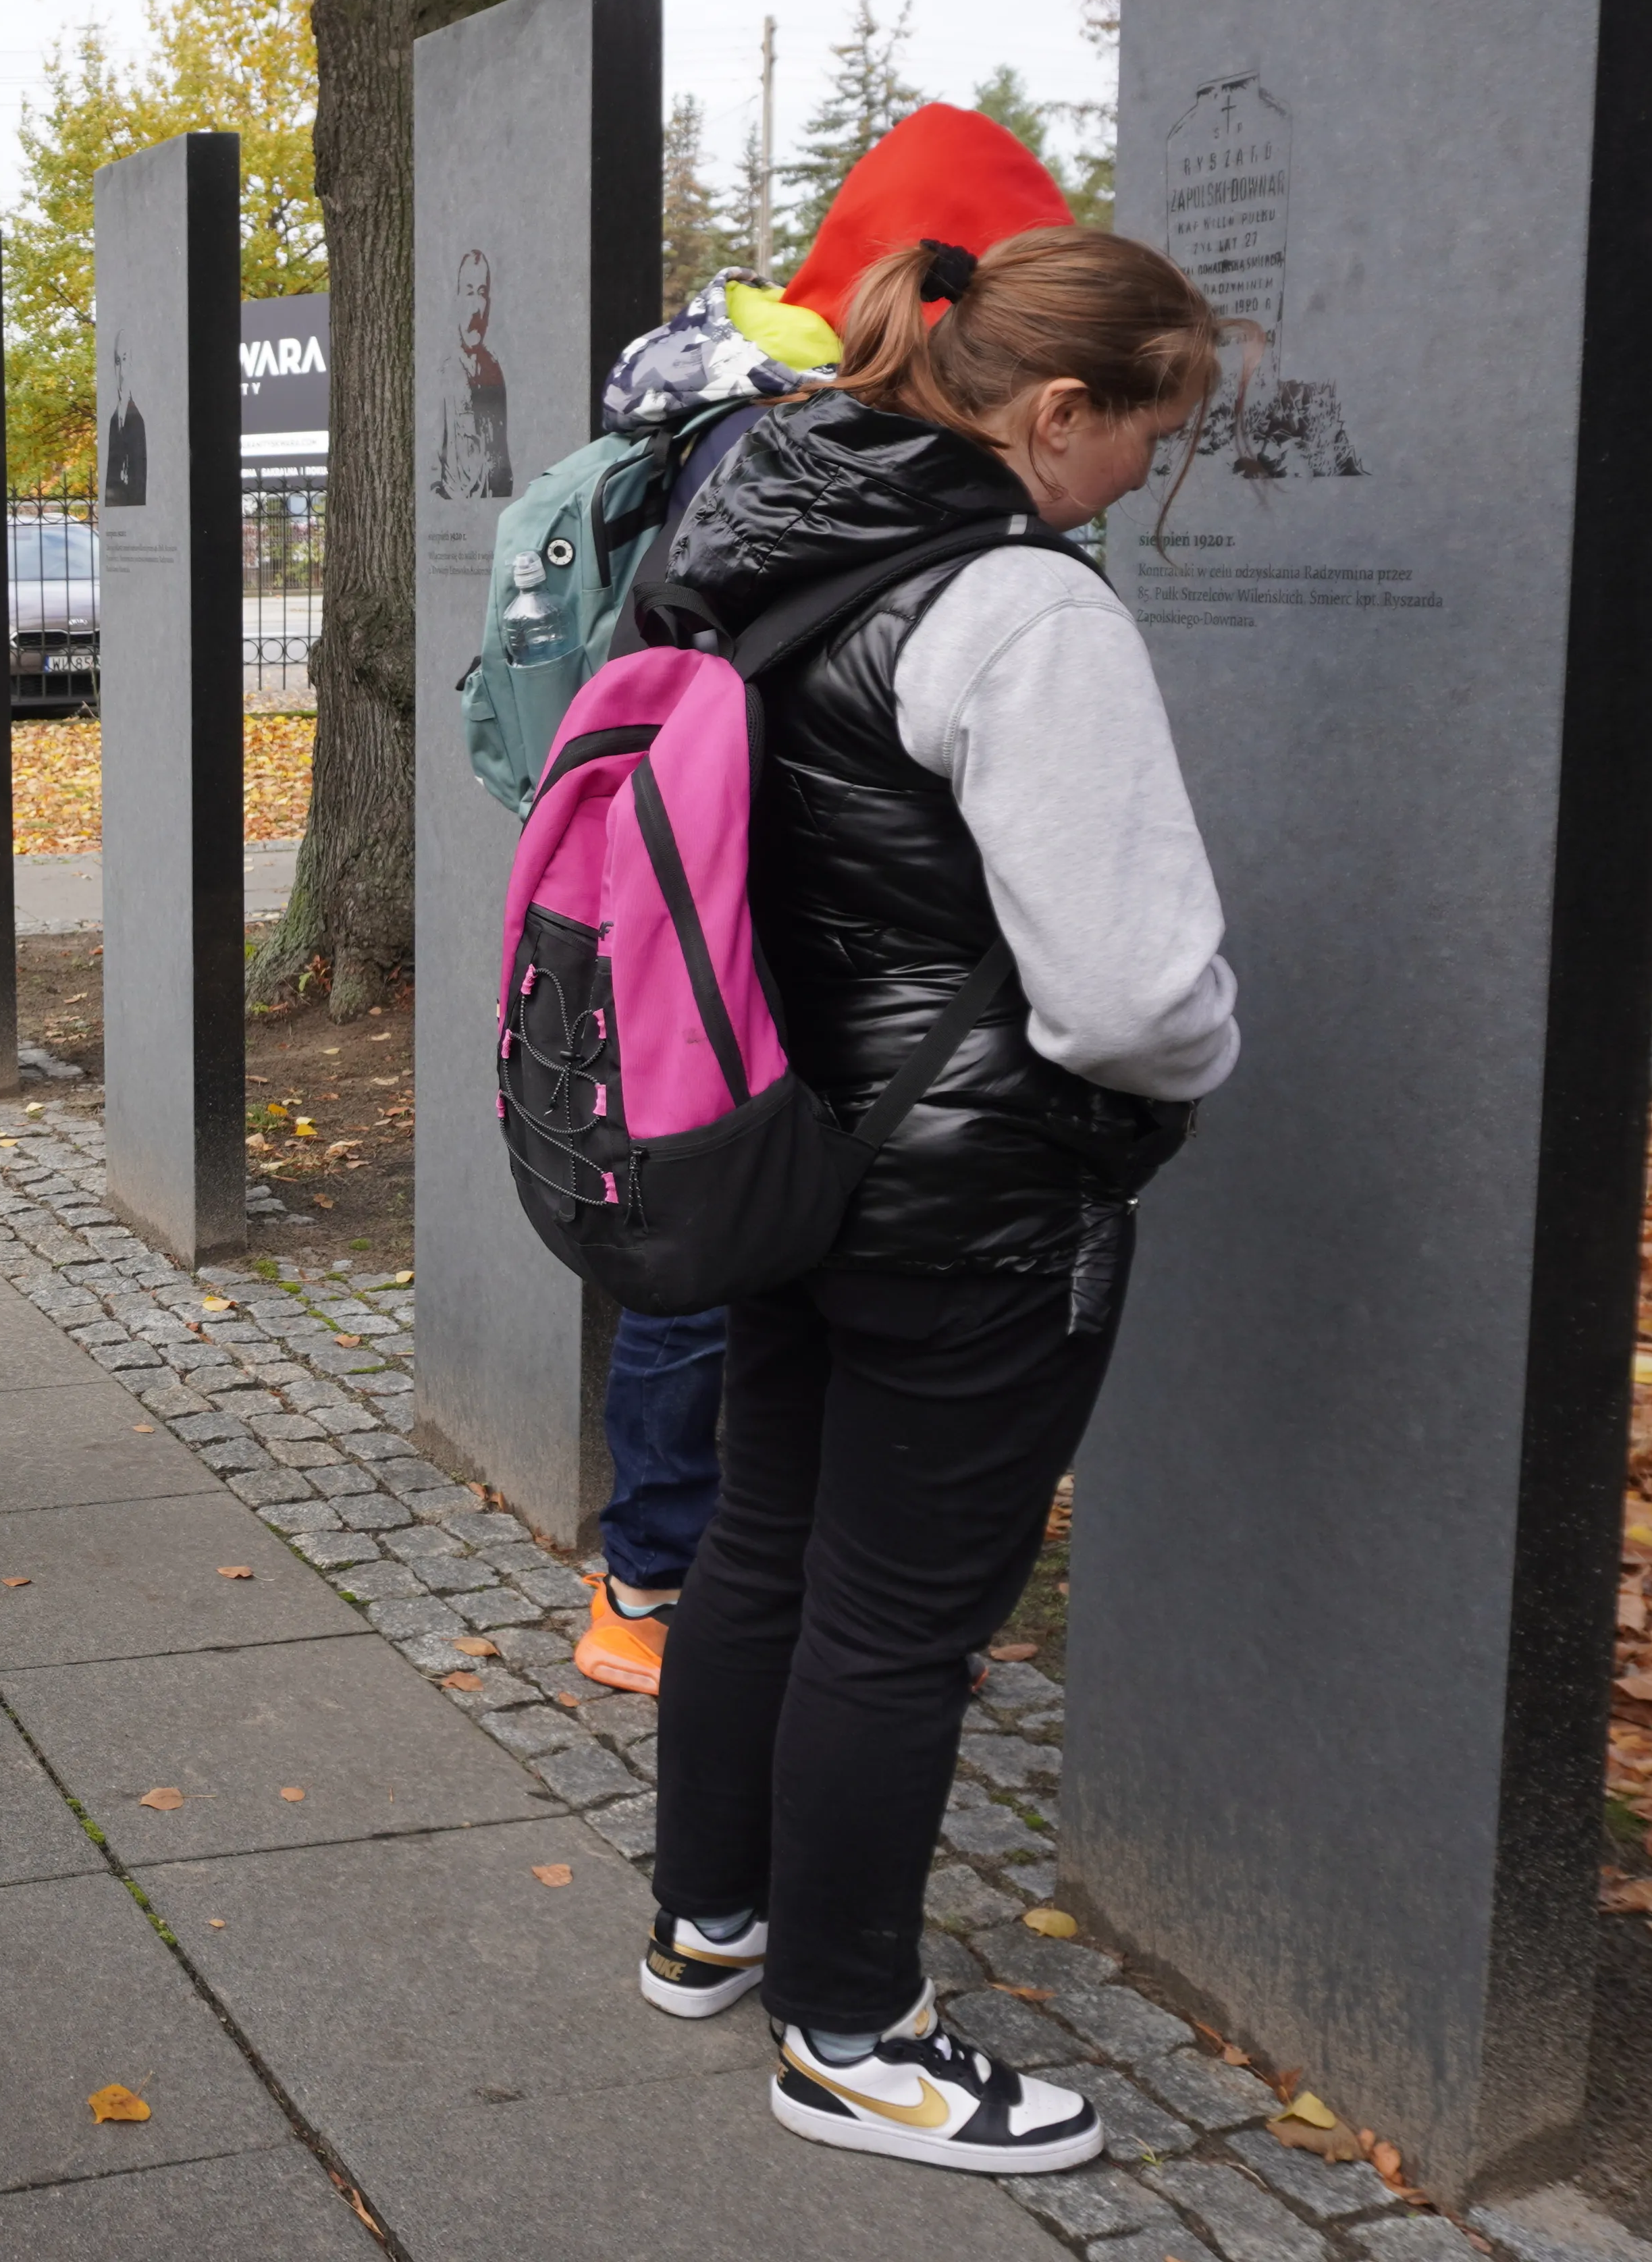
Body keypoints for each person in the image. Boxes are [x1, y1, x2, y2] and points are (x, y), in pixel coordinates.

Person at [634, 225, 1239, 2176]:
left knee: (764, 1541)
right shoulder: (1023, 608)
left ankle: (710, 1919)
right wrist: (1202, 1056)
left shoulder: (757, 532)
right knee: (898, 1616)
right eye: (1154, 431)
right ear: (1057, 411)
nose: (1150, 473)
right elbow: (1130, 995)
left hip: (778, 1140)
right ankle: (852, 2035)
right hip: (977, 1194)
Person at [572, 105, 1084, 1699]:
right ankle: (662, 1580)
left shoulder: (772, 417)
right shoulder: (798, 435)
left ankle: (699, 1589)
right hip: (758, 935)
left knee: (724, 1263)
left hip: (723, 911)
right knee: (715, 1259)